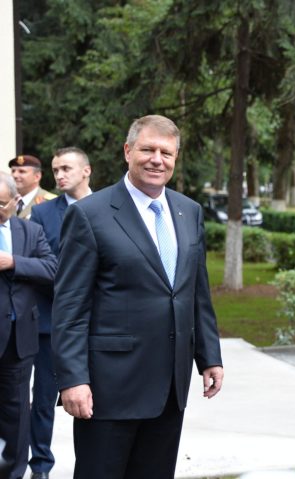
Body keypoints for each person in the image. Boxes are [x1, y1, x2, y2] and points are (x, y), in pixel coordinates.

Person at [51, 115, 224, 479]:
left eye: (167, 152)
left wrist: (209, 355)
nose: (157, 159)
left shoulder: (188, 211)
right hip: (108, 388)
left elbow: (196, 290)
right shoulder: (89, 214)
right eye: (148, 149)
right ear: (128, 151)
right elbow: (69, 305)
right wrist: (72, 379)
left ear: (176, 158)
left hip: (169, 386)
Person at [28, 147, 93, 479]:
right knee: (43, 401)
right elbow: (45, 265)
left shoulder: (110, 207)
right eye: (56, 170)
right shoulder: (43, 214)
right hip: (52, 322)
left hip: (100, 324)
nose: (60, 175)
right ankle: (40, 466)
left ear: (86, 171)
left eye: (66, 168)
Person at [0, 172, 57, 479]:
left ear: (15, 201)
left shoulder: (31, 231)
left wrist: (13, 262)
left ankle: (13, 473)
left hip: (19, 341)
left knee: (16, 416)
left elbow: (52, 268)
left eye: (0, 203)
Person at [9, 155, 56, 220]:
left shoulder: (51, 202)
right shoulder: (5, 200)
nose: (15, 175)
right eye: (13, 171)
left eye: (22, 171)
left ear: (37, 177)